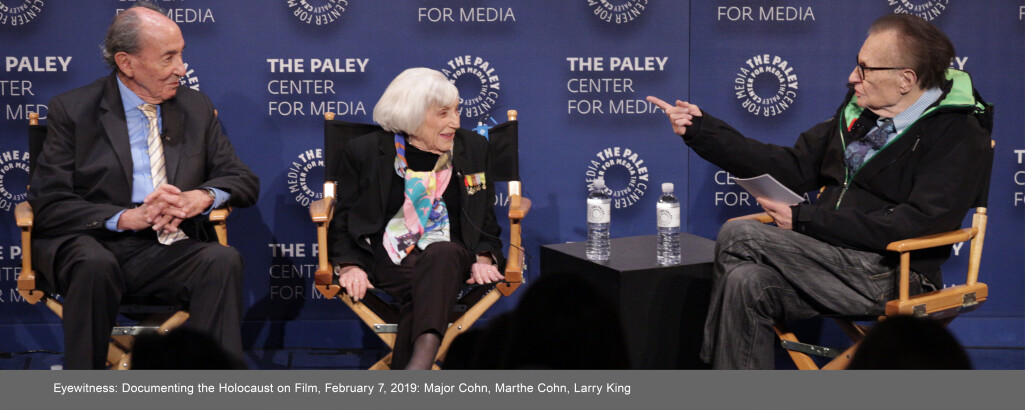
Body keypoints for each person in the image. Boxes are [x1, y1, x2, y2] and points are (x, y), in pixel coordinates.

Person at [647, 14, 992, 369]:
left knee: (740, 234)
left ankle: (710, 369)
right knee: (745, 281)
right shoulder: (860, 113)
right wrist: (703, 130)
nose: (852, 77)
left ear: (906, 79)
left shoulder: (958, 133)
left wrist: (806, 219)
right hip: (828, 260)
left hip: (896, 273)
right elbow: (792, 167)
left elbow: (920, 222)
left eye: (864, 69)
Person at [28, 1, 259, 369]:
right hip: (90, 242)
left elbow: (242, 179)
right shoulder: (74, 110)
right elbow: (49, 202)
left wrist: (200, 197)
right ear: (127, 63)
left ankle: (216, 386)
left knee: (221, 260)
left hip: (164, 248)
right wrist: (127, 217)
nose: (182, 68)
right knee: (94, 264)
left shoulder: (195, 107)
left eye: (181, 54)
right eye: (169, 58)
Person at [327, 67, 505, 370]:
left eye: (457, 111)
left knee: (442, 254)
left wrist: (485, 256)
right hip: (390, 258)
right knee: (428, 291)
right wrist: (350, 265)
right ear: (410, 115)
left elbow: (485, 215)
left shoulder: (474, 148)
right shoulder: (365, 151)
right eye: (443, 113)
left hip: (453, 256)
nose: (455, 122)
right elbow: (345, 217)